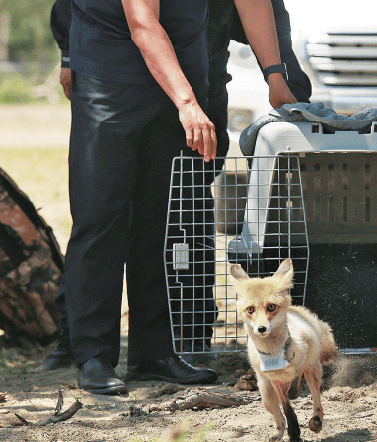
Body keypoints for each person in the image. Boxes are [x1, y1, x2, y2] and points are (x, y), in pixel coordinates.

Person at [43, 0, 310, 374]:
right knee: (102, 218)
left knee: (163, 222)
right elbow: (142, 22)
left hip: (179, 77)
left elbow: (253, 3)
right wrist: (186, 102)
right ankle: (93, 357)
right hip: (111, 80)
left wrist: (276, 76)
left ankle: (153, 355)